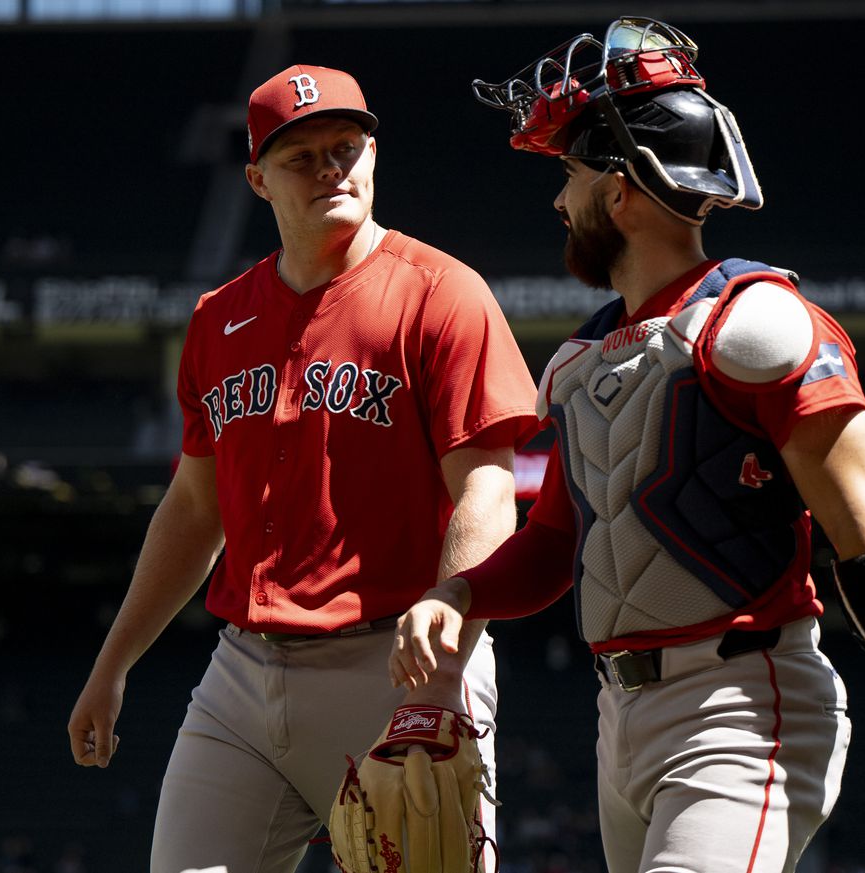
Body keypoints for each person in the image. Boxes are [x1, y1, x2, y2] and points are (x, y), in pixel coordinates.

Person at [389, 19, 865, 873]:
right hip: (618, 724)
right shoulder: (574, 363)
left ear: (623, 189)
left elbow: (863, 526)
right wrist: (460, 591)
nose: (560, 200)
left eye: (571, 173)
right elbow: (558, 543)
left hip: (743, 707)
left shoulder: (761, 324)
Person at [66, 64, 538, 873]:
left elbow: (490, 486)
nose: (332, 168)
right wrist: (113, 663)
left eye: (348, 148)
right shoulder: (218, 321)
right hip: (243, 671)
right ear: (257, 179)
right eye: (303, 156)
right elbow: (191, 509)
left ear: (374, 157)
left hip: (396, 663)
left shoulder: (442, 294)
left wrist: (449, 641)